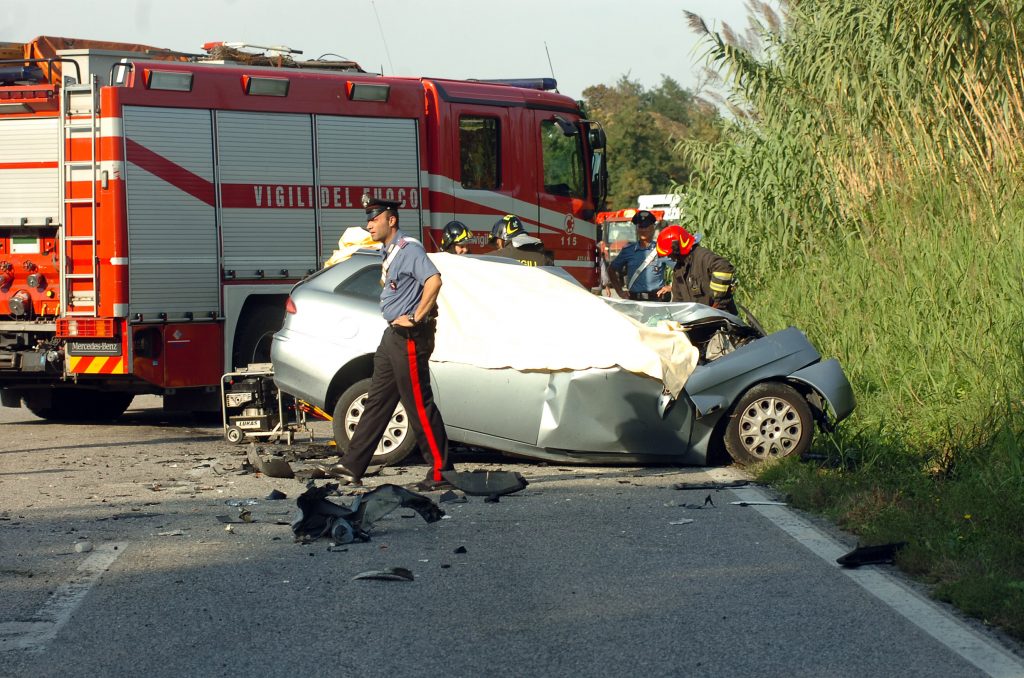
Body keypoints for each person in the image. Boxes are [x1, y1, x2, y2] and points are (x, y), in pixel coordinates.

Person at [324, 195, 455, 492]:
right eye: (368, 219)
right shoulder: (389, 250)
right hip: (392, 336)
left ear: (391, 219)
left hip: (409, 336)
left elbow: (434, 280)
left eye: (374, 218)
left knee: (418, 404)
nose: (369, 224)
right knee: (378, 399)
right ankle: (352, 464)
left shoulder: (409, 249)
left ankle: (441, 471)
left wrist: (417, 316)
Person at [655, 224, 737, 314]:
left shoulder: (701, 256)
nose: (670, 257)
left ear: (678, 248)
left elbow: (723, 267)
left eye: (670, 254)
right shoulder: (678, 270)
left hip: (720, 319)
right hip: (698, 322)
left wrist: (717, 300)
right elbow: (678, 301)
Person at [608, 210, 671, 300]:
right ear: (637, 229)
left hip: (656, 301)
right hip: (634, 302)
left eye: (646, 226)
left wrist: (671, 287)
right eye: (641, 226)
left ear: (653, 227)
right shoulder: (628, 250)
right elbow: (611, 269)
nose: (643, 230)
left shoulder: (661, 249)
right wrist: (619, 291)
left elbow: (679, 269)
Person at [488, 214, 554, 266]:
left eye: (496, 245)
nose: (497, 249)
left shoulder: (494, 258)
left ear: (500, 241)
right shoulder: (545, 257)